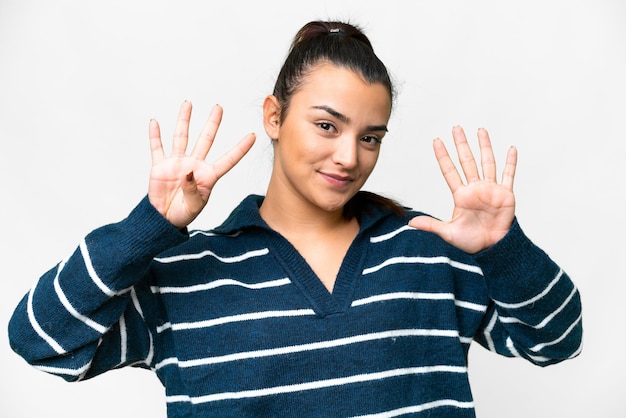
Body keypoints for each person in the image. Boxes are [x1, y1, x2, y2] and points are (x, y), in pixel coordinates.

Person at [9, 20, 582, 417]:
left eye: (370, 136)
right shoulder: (186, 273)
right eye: (327, 125)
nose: (349, 156)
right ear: (275, 116)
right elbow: (41, 341)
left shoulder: (430, 249)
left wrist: (504, 248)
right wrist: (149, 227)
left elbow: (556, 341)